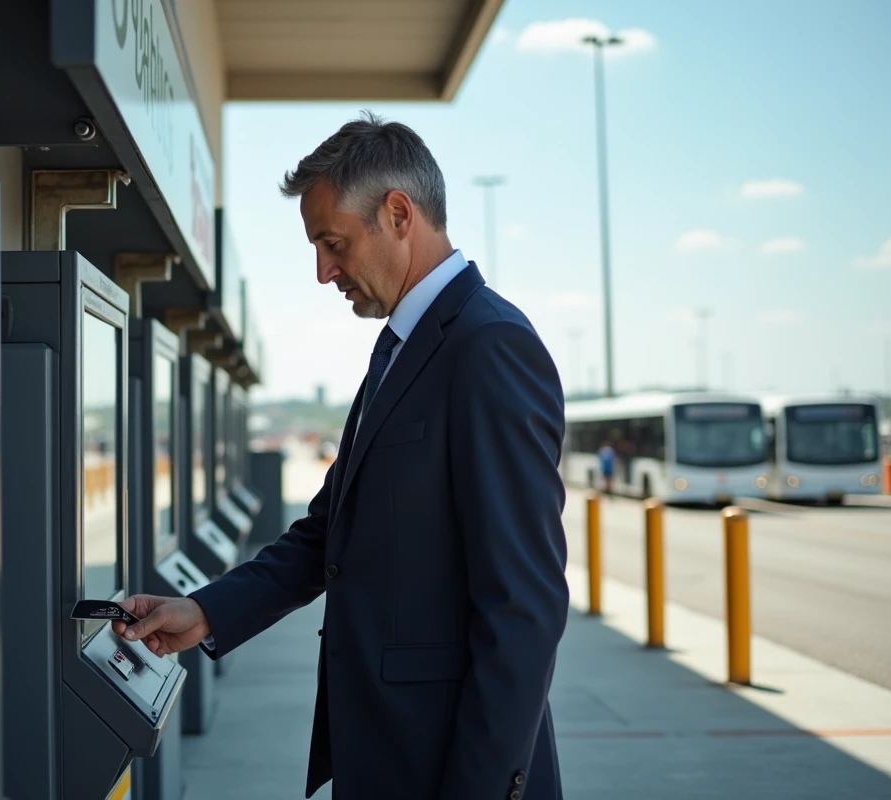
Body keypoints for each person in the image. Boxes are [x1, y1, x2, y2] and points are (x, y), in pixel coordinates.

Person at [112, 112, 569, 800]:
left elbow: (524, 608)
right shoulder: (401, 352)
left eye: (333, 243)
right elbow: (329, 535)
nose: (324, 272)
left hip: (448, 769)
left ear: (397, 214)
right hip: (387, 758)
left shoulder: (488, 347)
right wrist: (204, 613)